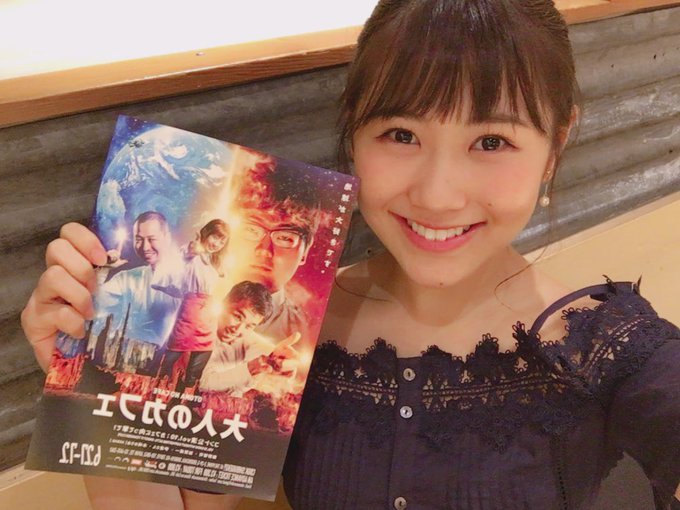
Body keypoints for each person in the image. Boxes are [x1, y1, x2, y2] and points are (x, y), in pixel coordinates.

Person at [20, 1, 680, 510]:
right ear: (354, 132)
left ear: (555, 145)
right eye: (401, 134)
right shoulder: (284, 328)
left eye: (491, 142)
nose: (437, 195)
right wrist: (86, 383)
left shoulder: (605, 344)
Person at [228, 156, 322, 342]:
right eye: (251, 230)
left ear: (305, 251)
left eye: (285, 238)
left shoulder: (304, 334)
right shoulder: (188, 292)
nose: (264, 250)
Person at [156, 219, 230, 394]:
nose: (217, 244)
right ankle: (157, 390)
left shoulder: (214, 262)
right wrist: (193, 250)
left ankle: (184, 396)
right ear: (206, 232)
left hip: (209, 316)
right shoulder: (193, 251)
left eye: (222, 241)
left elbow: (221, 284)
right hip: (191, 311)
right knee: (173, 353)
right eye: (215, 237)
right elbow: (186, 255)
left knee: (200, 360)